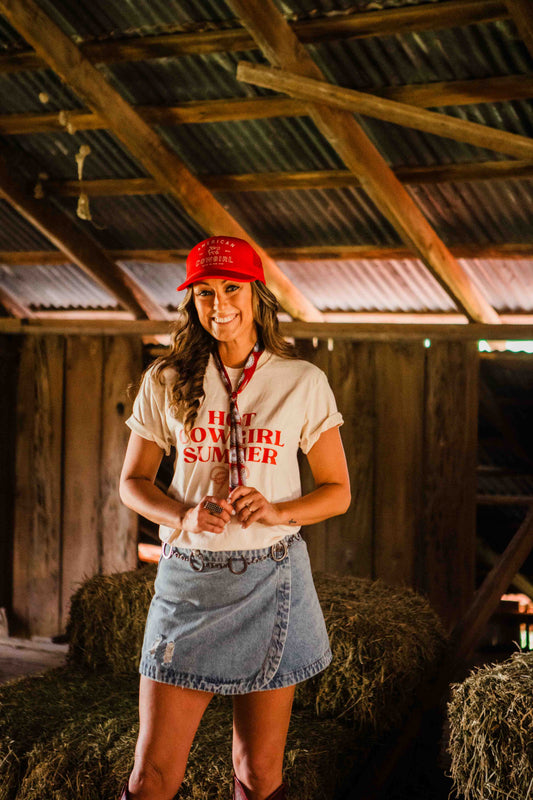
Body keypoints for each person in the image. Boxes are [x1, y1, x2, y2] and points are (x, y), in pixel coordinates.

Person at [119, 235, 351, 800]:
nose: (218, 304)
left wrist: (278, 510)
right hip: (188, 581)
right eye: (204, 292)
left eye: (231, 288)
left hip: (274, 579)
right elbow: (132, 484)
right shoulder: (165, 379)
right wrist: (184, 514)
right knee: (152, 777)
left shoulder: (301, 381)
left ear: (256, 295)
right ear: (191, 302)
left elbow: (338, 492)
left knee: (259, 773)